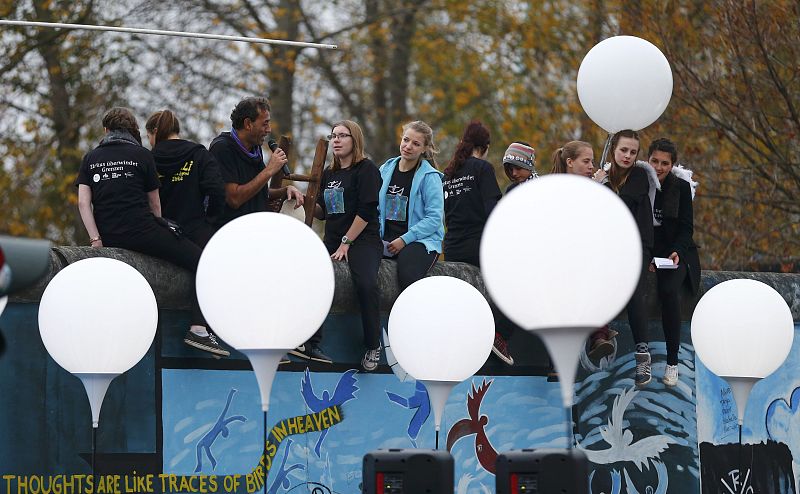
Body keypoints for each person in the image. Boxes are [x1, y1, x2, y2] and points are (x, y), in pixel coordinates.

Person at [76, 107, 229, 357]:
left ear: (106, 130)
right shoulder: (143, 155)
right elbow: (154, 204)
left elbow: (83, 203)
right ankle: (199, 328)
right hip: (142, 230)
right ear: (133, 130)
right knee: (203, 261)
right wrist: (162, 229)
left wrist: (96, 239)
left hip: (108, 233)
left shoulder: (90, 158)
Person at [441, 121, 513, 365]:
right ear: (485, 147)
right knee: (515, 287)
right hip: (479, 244)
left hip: (451, 246)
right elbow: (492, 211)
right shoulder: (482, 168)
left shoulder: (448, 174)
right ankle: (497, 334)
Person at [313, 120, 382, 371]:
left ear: (355, 140)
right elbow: (322, 212)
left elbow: (366, 211)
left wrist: (346, 243)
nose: (337, 140)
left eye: (343, 135)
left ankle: (373, 344)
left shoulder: (367, 170)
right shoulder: (329, 174)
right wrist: (302, 201)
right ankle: (310, 341)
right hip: (332, 239)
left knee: (366, 283)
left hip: (362, 240)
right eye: (333, 136)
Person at [594, 129, 657, 387]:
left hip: (636, 246)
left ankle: (643, 355)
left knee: (633, 294)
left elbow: (620, 206)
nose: (628, 156)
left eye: (633, 152)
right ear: (613, 150)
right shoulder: (604, 175)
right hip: (611, 248)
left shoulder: (640, 176)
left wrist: (604, 185)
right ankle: (599, 336)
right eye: (623, 150)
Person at [551, 141, 620, 359]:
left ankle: (599, 336)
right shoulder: (556, 188)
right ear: (570, 162)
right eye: (586, 161)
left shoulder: (592, 188)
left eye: (592, 161)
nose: (592, 166)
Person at [648, 138, 700, 386]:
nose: (658, 167)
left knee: (669, 291)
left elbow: (686, 228)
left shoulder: (680, 187)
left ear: (672, 165)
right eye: (654, 161)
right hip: (648, 250)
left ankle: (672, 361)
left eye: (664, 163)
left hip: (676, 253)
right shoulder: (638, 182)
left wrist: (677, 250)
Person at [209, 97, 304, 226]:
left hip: (255, 230)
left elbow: (258, 190)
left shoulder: (254, 149)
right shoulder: (222, 148)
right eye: (265, 124)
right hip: (230, 232)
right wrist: (269, 170)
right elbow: (234, 199)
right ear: (248, 124)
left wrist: (285, 190)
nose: (269, 129)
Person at [378, 121, 444, 292]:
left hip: (420, 241)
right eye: (406, 140)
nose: (408, 146)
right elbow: (375, 208)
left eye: (416, 144)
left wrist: (404, 240)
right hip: (386, 237)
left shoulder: (430, 177)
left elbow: (434, 219)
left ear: (424, 148)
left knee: (407, 274)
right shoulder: (385, 170)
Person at [145, 109, 225, 247]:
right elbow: (217, 190)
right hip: (197, 234)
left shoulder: (148, 160)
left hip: (163, 235)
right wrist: (210, 221)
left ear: (156, 131)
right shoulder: (199, 154)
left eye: (148, 137)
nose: (150, 142)